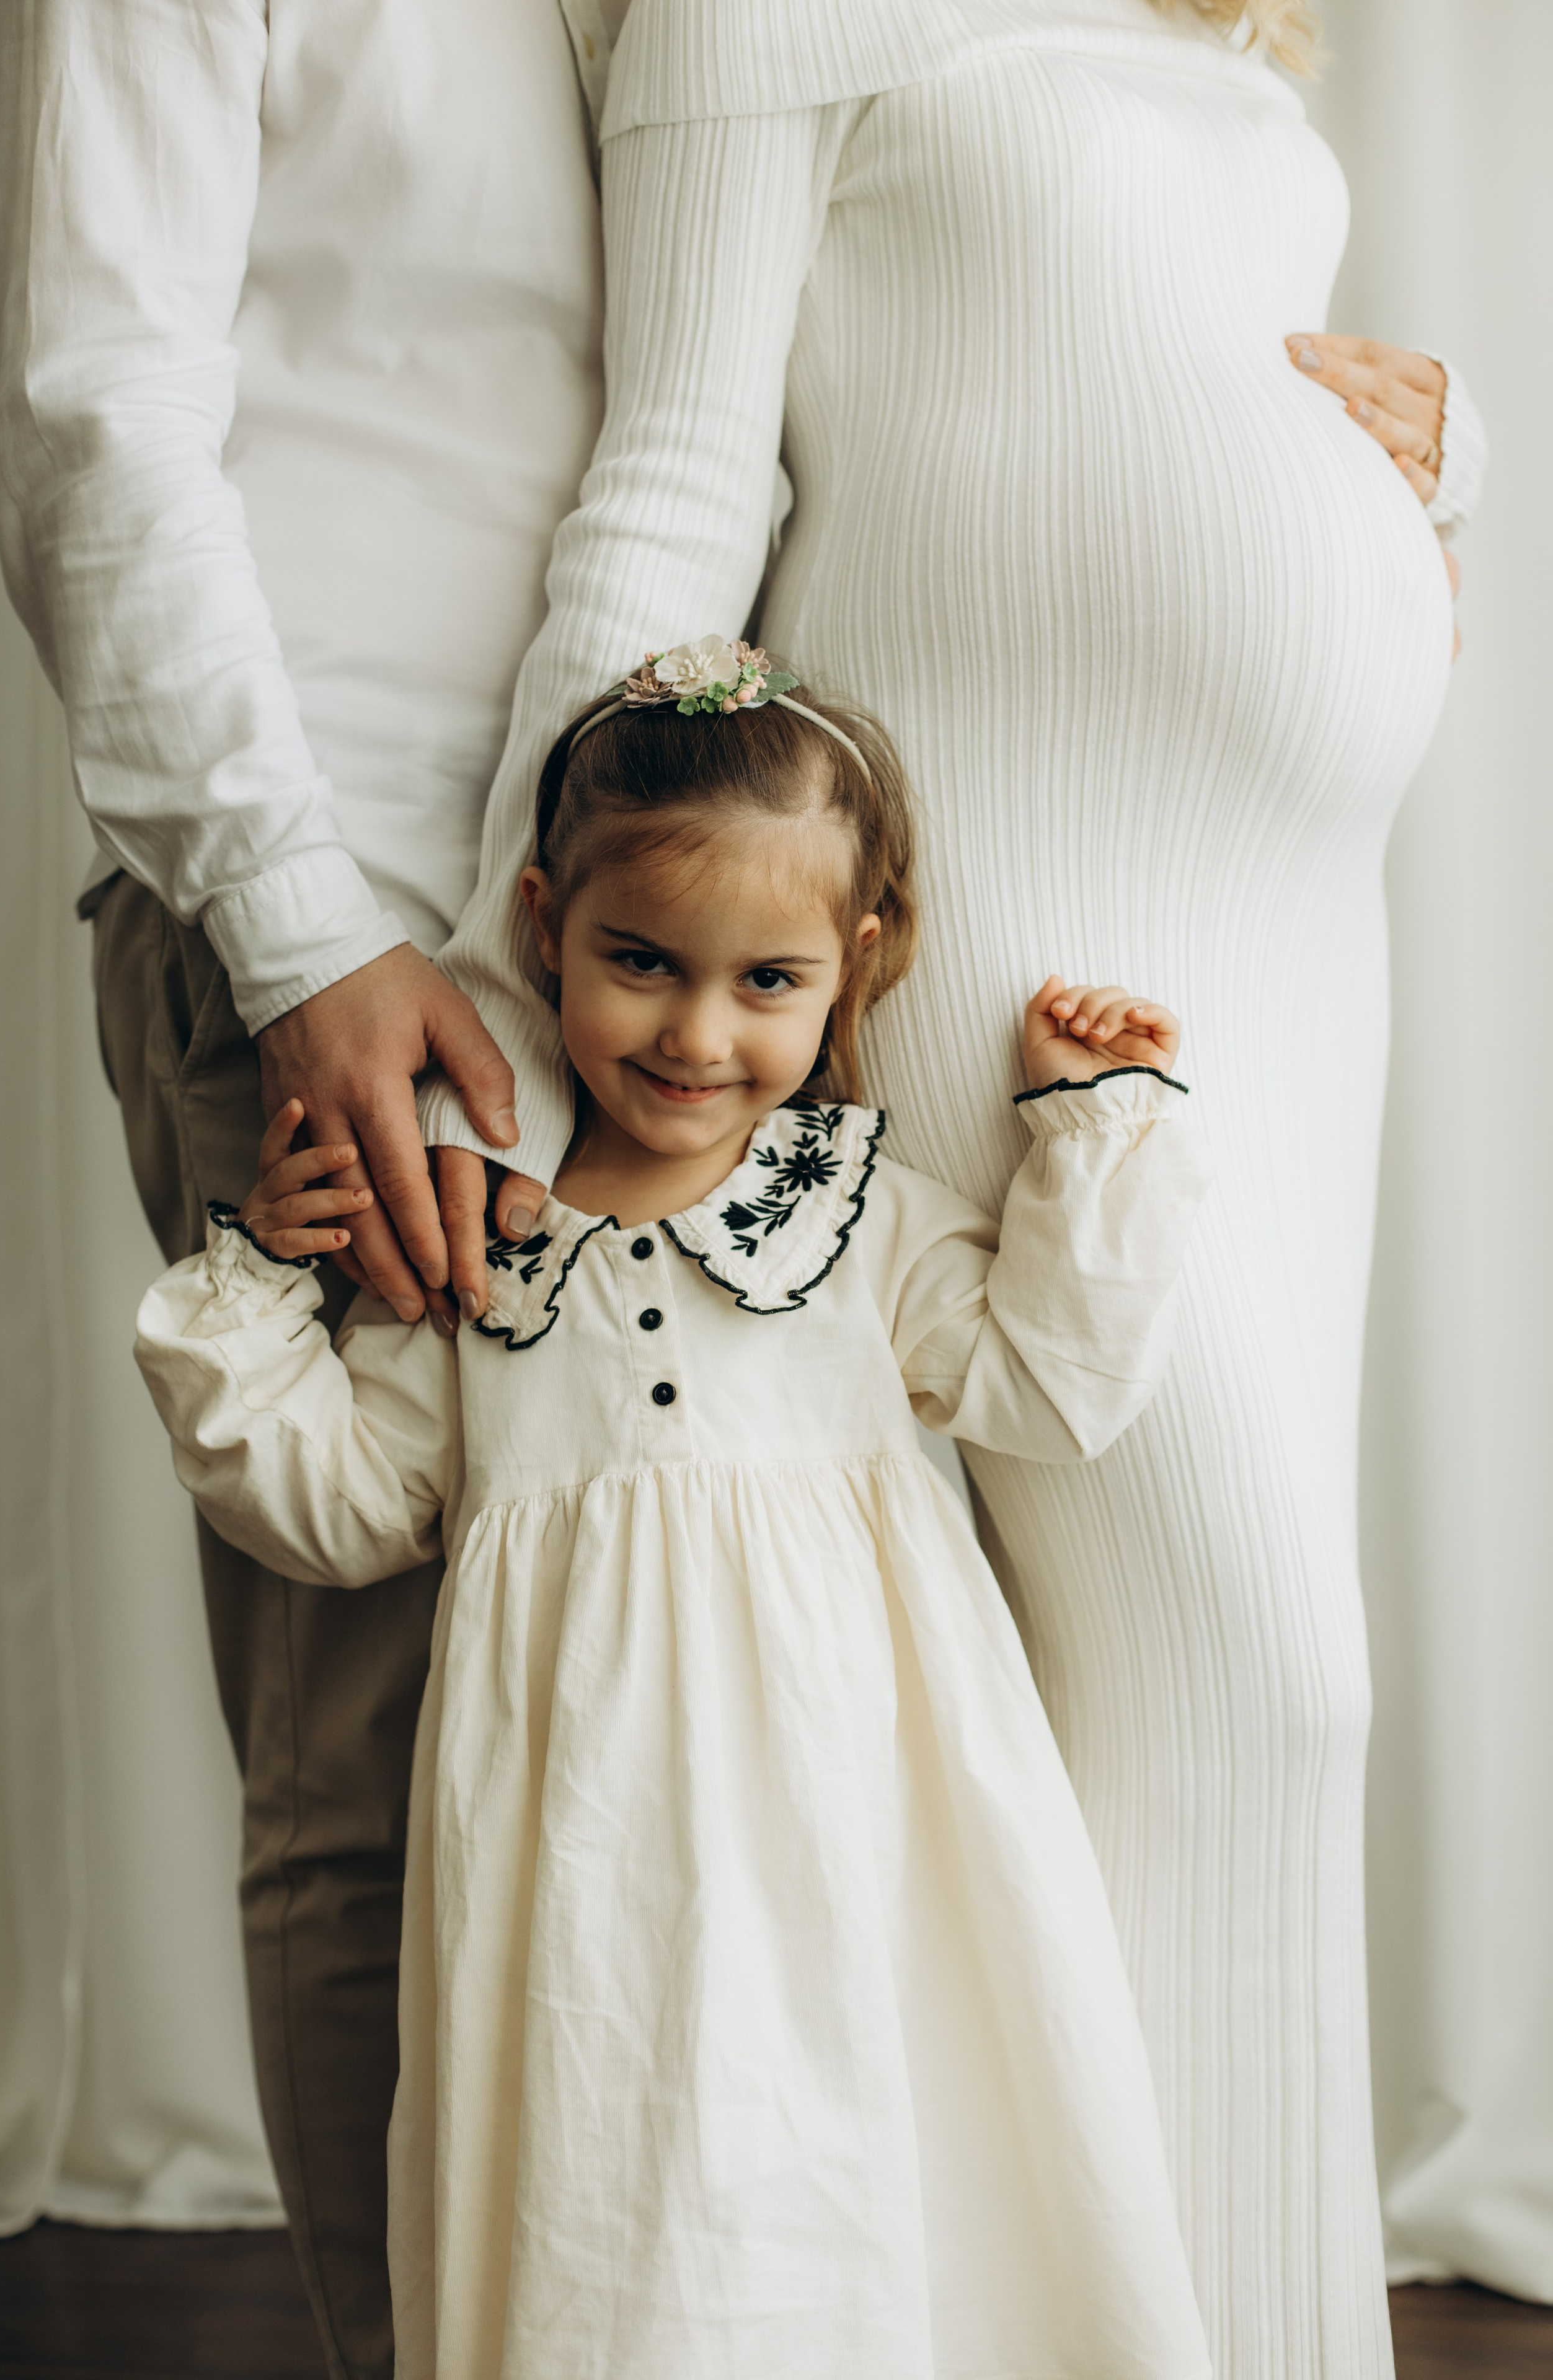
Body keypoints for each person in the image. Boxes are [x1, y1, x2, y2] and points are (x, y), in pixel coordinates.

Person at [412, 4, 1490, 2374]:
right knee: (1243, 1680)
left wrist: (1438, 475)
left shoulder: (1216, 33)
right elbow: (680, 468)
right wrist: (508, 1021)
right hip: (1016, 922)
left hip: (1285, 943)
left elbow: (1210, 378)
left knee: (1239, 1715)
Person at [136, 649, 1216, 2379]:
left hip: (852, 1807)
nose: (697, 1035)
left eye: (765, 980)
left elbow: (1053, 1385)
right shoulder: (484, 1251)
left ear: (854, 968)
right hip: (582, 1854)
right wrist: (263, 1283)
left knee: (868, 2139)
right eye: (641, 963)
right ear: (545, 921)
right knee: (615, 2170)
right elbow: (340, 1507)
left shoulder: (848, 1214)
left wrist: (1088, 1129)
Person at [0, 3, 625, 2371]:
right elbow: (92, 417)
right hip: (336, 935)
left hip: (670, 948)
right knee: (373, 1762)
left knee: (660, 1739)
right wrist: (298, 936)